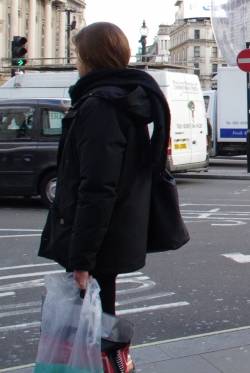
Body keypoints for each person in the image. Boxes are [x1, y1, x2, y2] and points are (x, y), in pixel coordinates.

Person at [38, 22, 170, 315]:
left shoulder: (100, 107)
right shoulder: (120, 100)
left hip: (97, 246)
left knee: (92, 337)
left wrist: (82, 260)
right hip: (109, 238)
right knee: (98, 333)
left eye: (78, 54)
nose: (76, 62)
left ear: (90, 57)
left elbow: (98, 187)